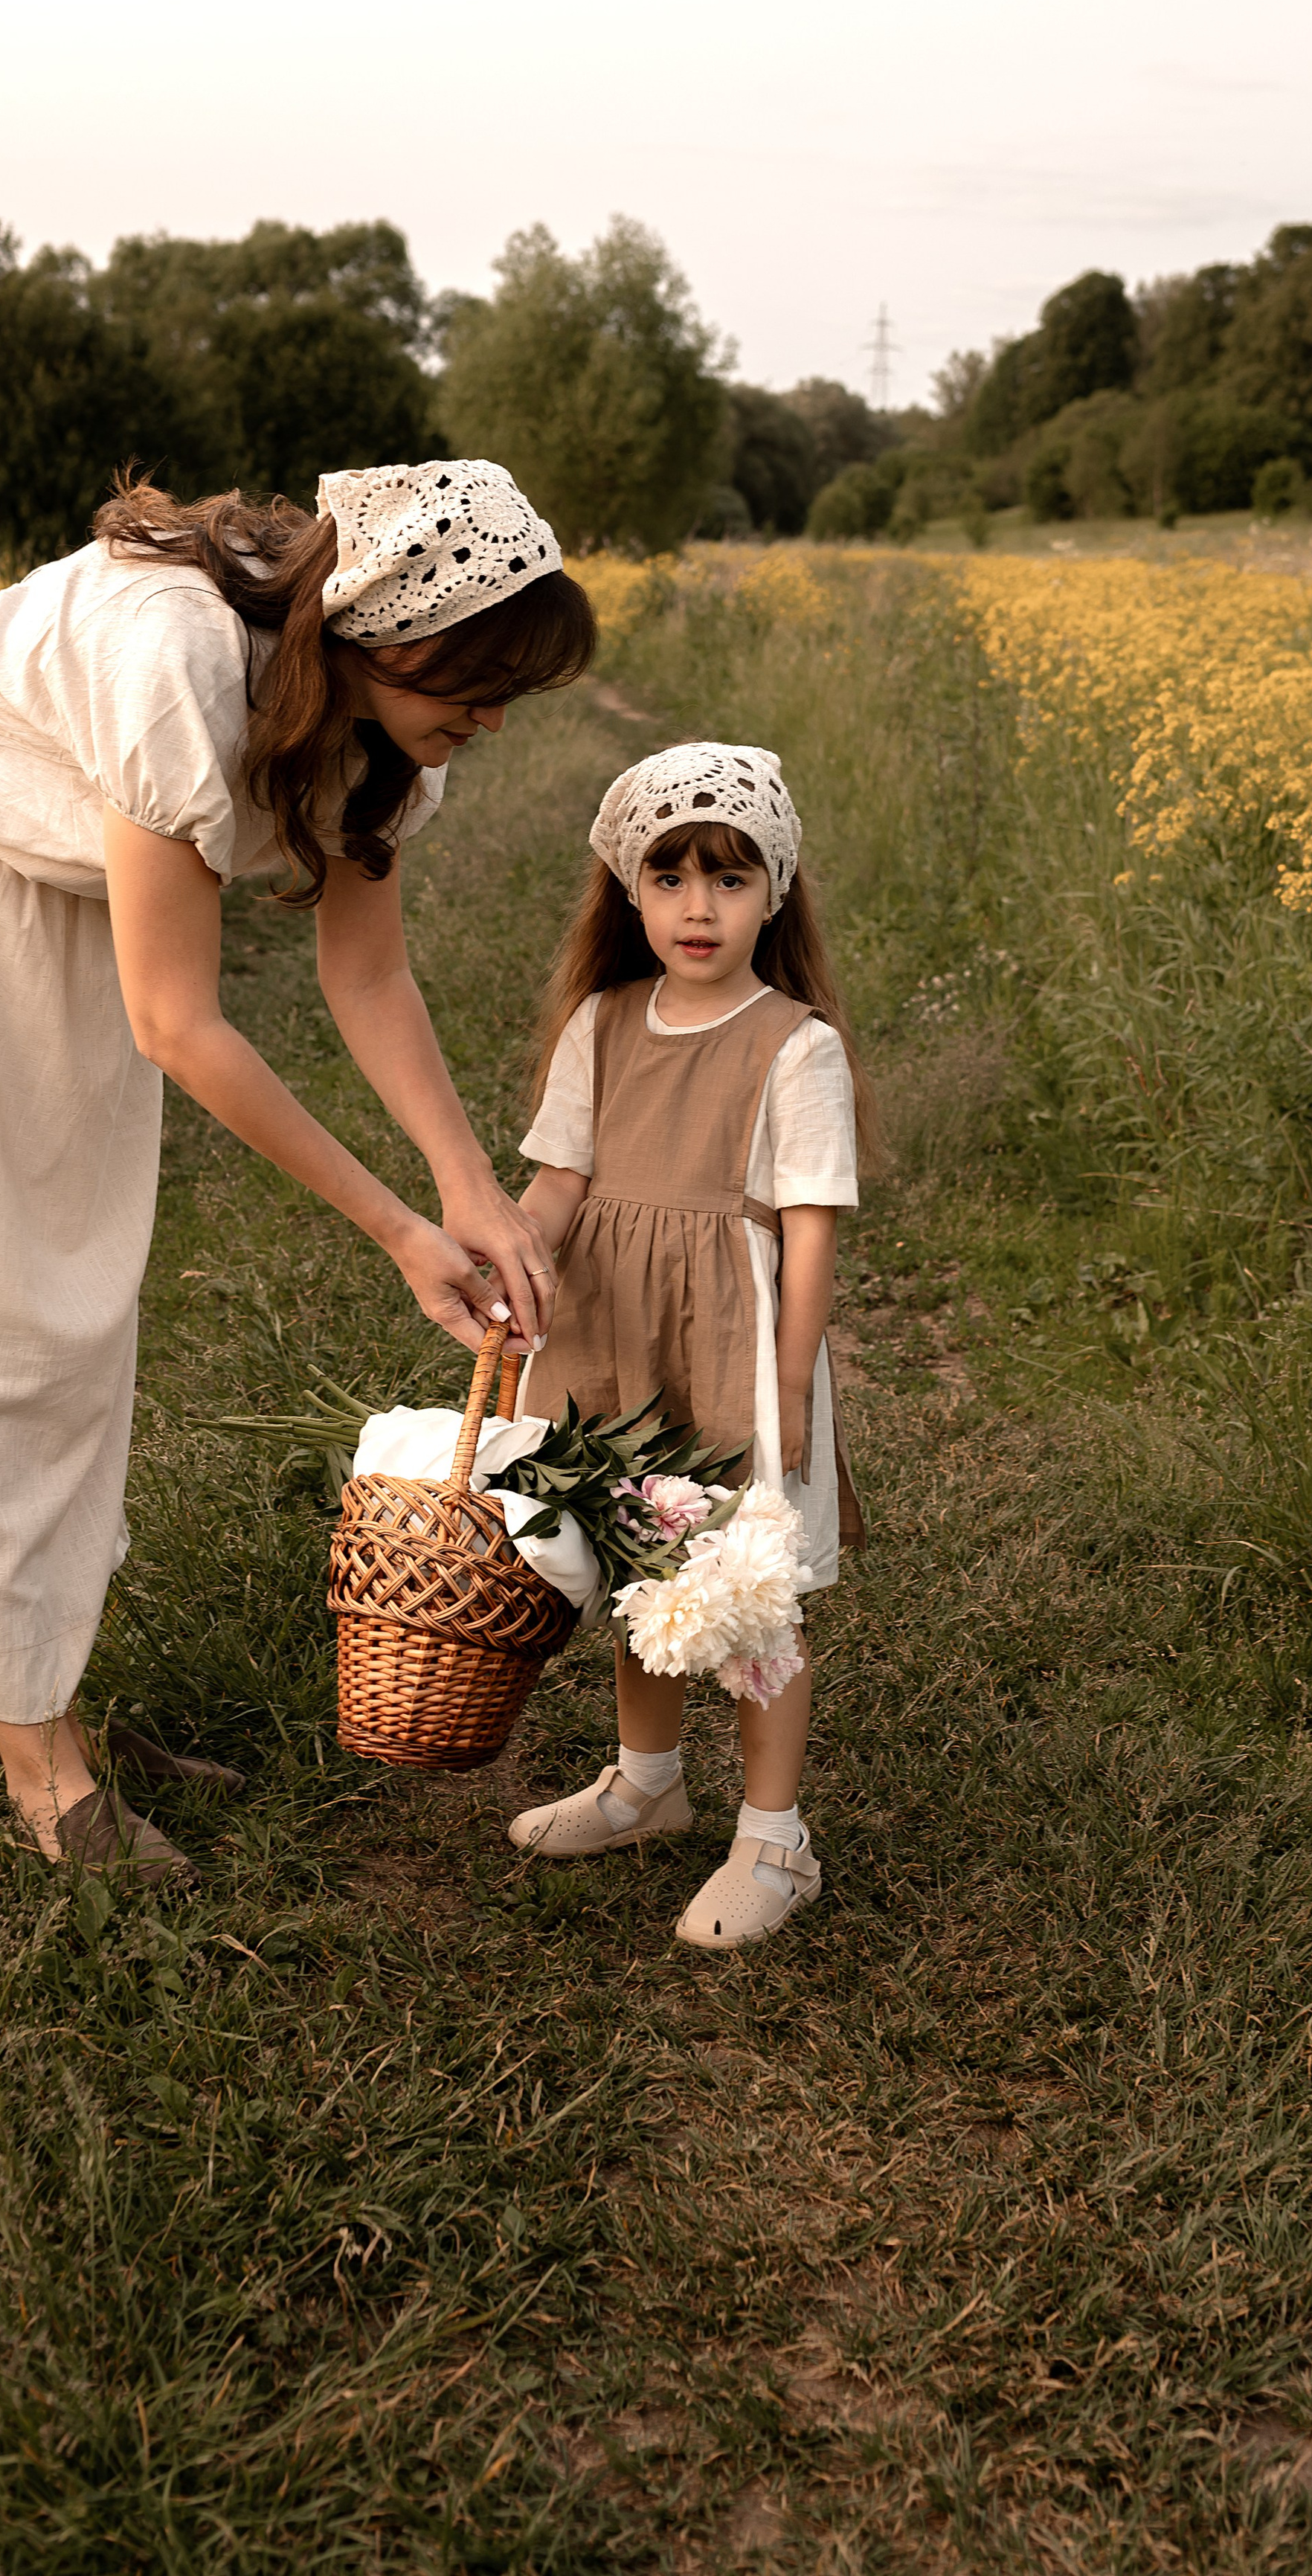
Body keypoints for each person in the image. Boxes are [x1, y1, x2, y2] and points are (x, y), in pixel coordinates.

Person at [0, 459, 593, 1881]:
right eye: (483, 675)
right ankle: (44, 1767)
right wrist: (397, 1231)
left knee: (73, 1301)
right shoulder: (181, 661)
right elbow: (179, 1023)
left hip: (45, 907)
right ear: (387, 625)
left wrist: (470, 1187)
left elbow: (369, 980)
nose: (496, 717)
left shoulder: (384, 744)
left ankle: (40, 1676)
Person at [506, 743, 869, 1946]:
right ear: (630, 893)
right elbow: (561, 1179)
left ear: (775, 893)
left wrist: (794, 1392)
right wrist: (521, 1256)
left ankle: (776, 1837)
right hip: (617, 1339)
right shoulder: (602, 1025)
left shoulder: (794, 1046)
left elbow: (809, 1229)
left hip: (733, 1350)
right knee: (640, 1570)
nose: (698, 906)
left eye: (729, 877)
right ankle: (645, 1785)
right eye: (669, 878)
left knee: (744, 1595)